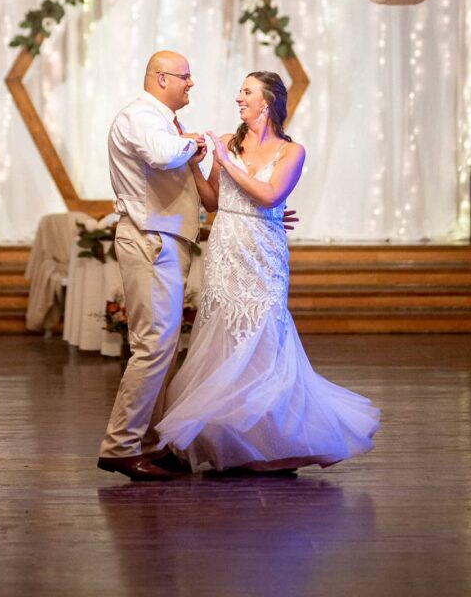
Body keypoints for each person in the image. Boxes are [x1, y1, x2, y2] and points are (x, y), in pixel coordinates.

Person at [155, 70, 380, 475]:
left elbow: (271, 195)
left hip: (265, 253)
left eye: (247, 92)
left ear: (268, 101)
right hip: (226, 247)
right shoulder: (229, 142)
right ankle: (227, 441)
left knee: (263, 337)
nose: (238, 98)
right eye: (239, 91)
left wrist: (226, 163)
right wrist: (194, 167)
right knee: (223, 336)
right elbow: (213, 201)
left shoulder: (292, 152)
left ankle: (271, 441)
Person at [97, 49, 207, 481]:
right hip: (149, 238)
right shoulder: (141, 116)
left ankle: (149, 442)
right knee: (152, 345)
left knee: (164, 346)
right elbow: (163, 155)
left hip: (162, 237)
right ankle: (121, 445)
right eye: (185, 76)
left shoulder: (161, 120)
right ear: (161, 78)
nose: (191, 83)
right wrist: (195, 142)